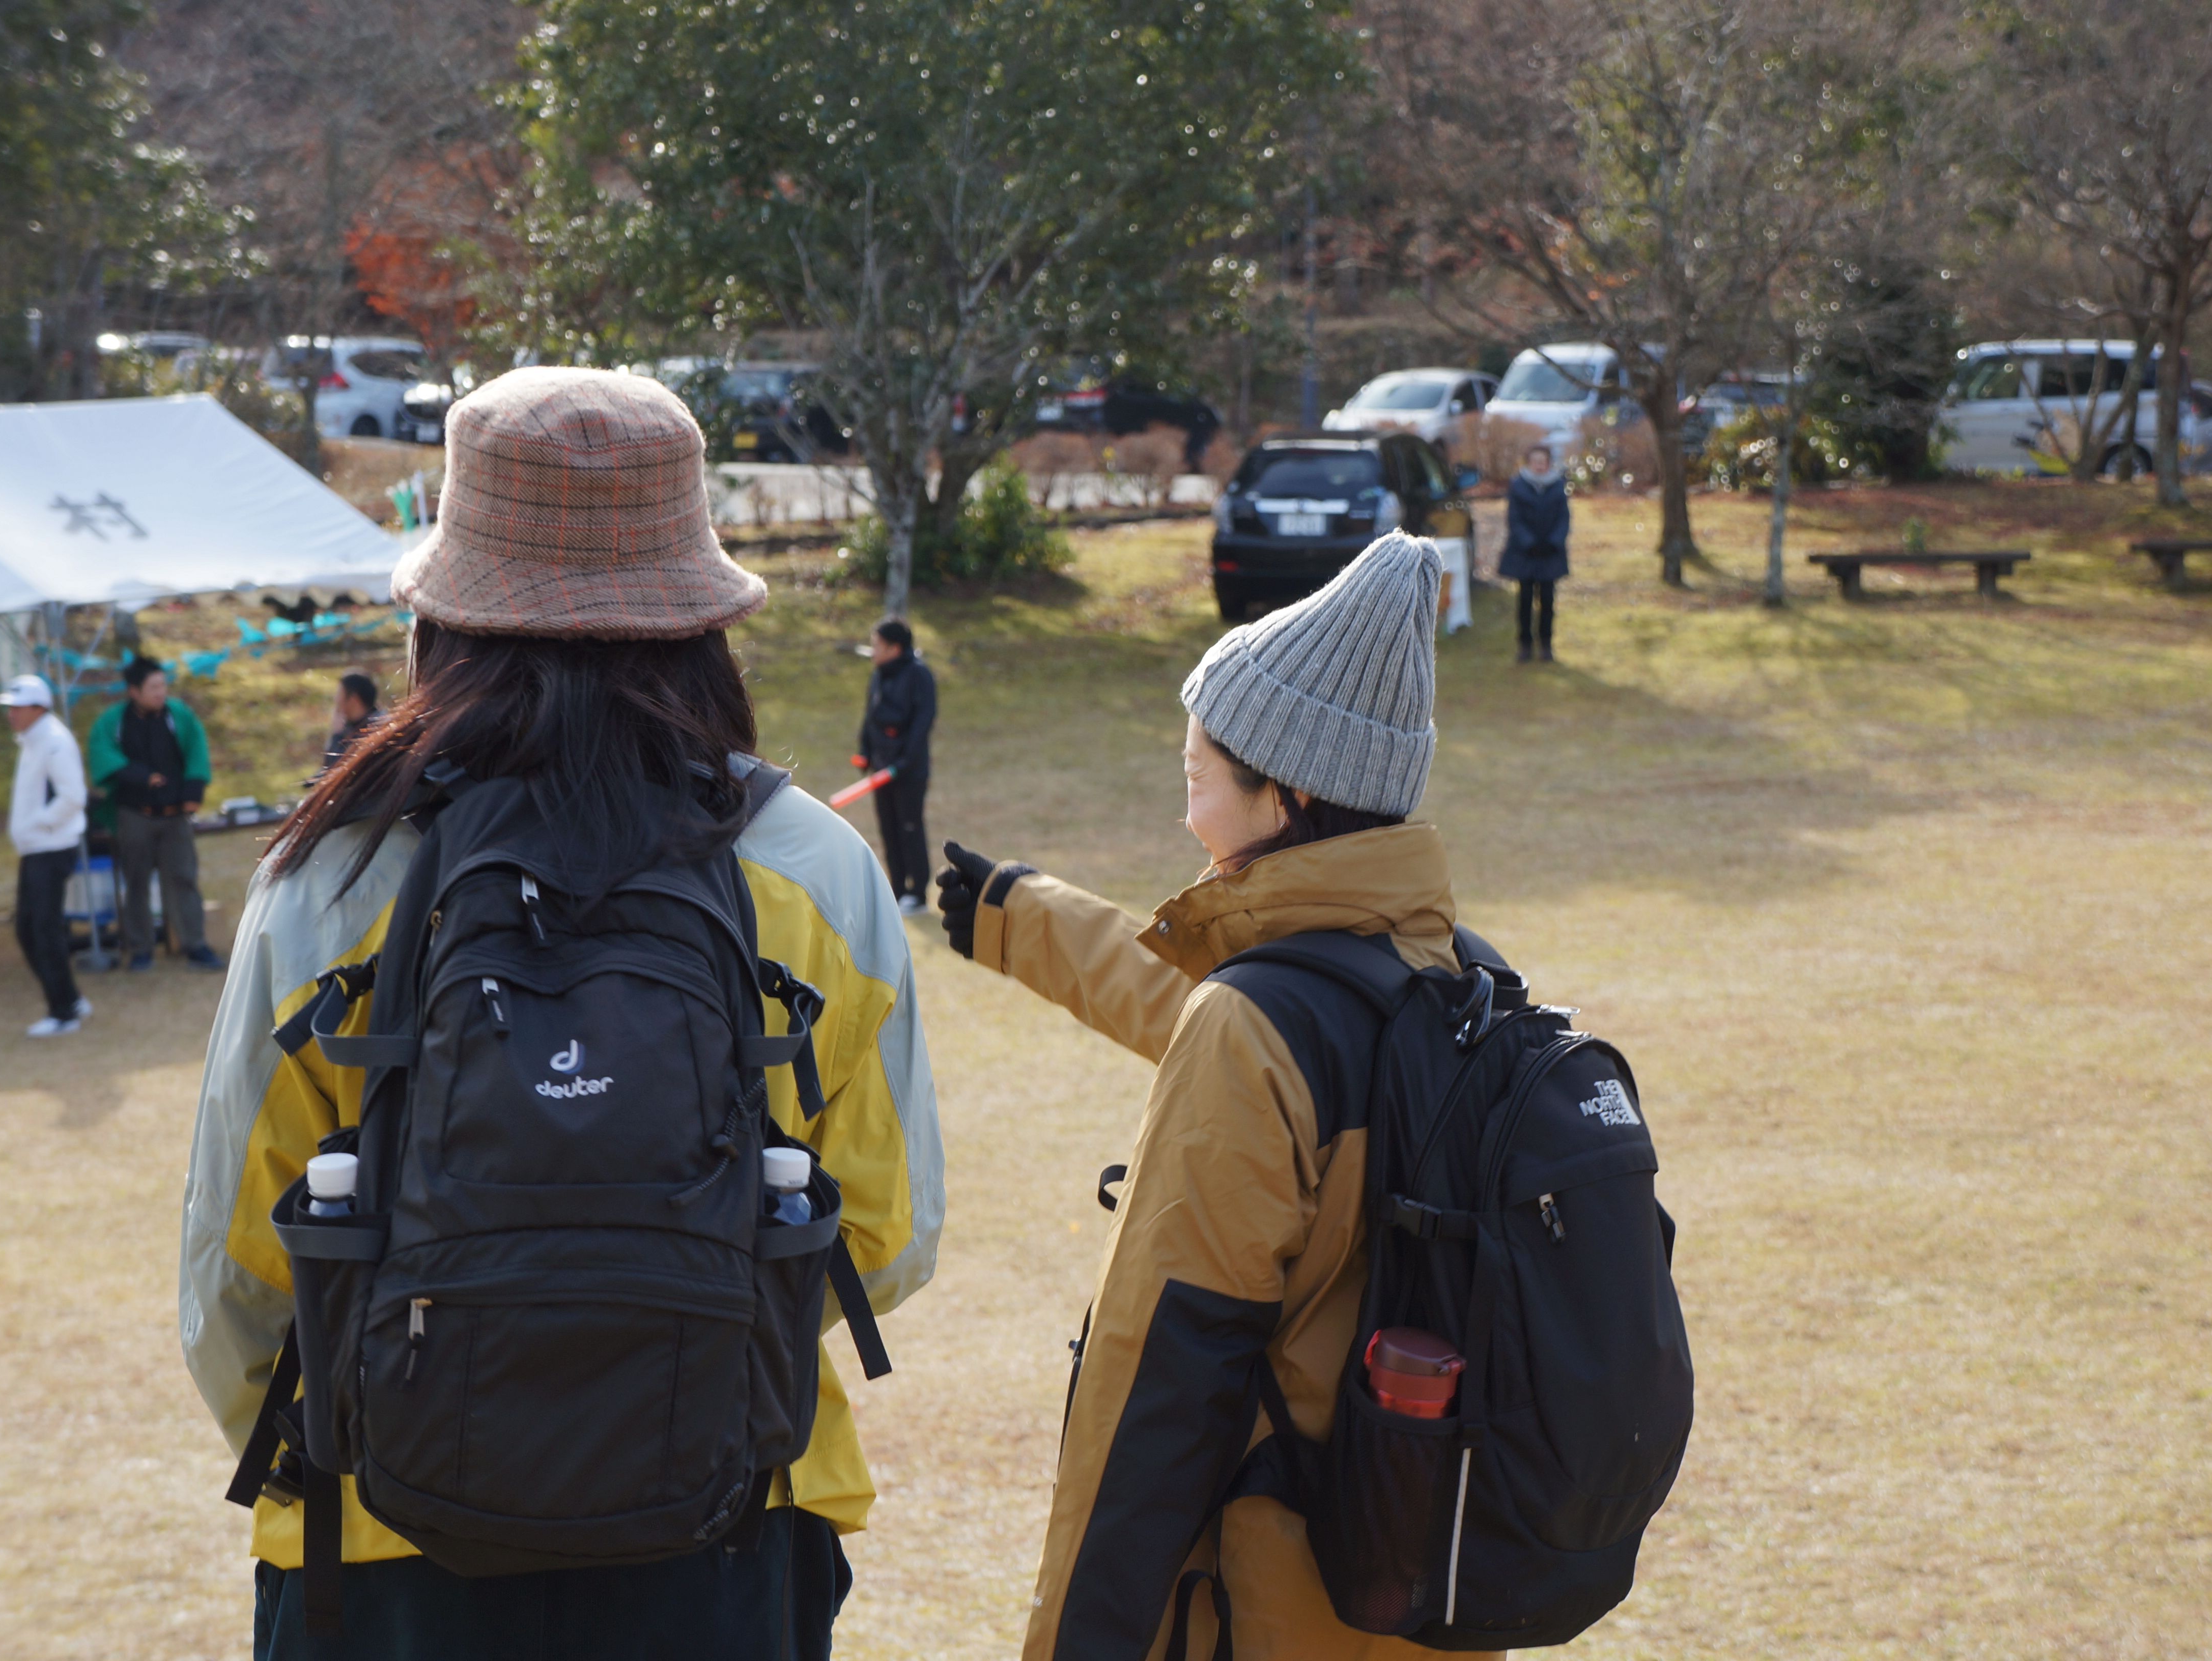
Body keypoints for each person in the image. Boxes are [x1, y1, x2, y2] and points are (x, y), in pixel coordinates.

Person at [179, 367, 943, 1661]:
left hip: (383, 1534)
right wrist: (669, 1343)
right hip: (731, 1512)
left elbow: (238, 1267)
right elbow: (886, 1232)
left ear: (443, 617)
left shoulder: (331, 877)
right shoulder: (813, 867)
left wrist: (385, 1401)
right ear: (699, 617)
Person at [933, 533, 1454, 1660]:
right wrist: (1024, 917)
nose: (1186, 816)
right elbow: (1234, 1015)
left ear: (1289, 791)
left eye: (1197, 778)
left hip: (1262, 1604)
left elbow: (1156, 1384)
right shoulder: (1450, 977)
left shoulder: (1259, 1026)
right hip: (1419, 1586)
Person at [87, 654, 222, 969]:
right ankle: (140, 949)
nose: (161, 692)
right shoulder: (114, 721)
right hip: (135, 814)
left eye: (163, 685)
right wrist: (140, 776)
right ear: (134, 691)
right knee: (136, 882)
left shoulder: (178, 715)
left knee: (184, 878)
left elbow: (197, 750)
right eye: (153, 687)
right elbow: (101, 752)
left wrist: (194, 791)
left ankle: (195, 945)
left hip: (175, 816)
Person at [0, 674, 91, 1038]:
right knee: (29, 929)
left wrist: (40, 825)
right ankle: (71, 1000)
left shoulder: (53, 740)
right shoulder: (34, 739)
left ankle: (63, 1013)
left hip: (50, 848)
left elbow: (73, 796)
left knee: (42, 930)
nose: (11, 714)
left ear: (38, 708)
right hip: (38, 848)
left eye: (17, 707)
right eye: (10, 707)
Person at [855, 617, 937, 916]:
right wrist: (865, 753)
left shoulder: (919, 675)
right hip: (881, 771)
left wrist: (904, 762)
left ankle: (918, 894)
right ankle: (898, 890)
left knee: (909, 829)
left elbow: (922, 723)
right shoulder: (879, 675)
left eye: (877, 645)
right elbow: (871, 716)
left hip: (909, 771)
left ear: (894, 648)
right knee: (888, 830)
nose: (873, 651)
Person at [1500, 443, 1570, 664]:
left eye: (1543, 462)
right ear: (1529, 463)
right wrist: (1528, 543)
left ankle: (1546, 645)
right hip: (1525, 554)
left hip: (1550, 553)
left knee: (1548, 600)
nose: (1540, 466)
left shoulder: (1558, 486)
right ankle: (1525, 645)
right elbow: (1514, 519)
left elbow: (1564, 519)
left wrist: (1553, 542)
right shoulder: (1518, 486)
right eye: (1536, 461)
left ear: (1549, 463)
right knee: (1525, 600)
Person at [323, 671, 382, 767]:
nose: (336, 699)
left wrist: (337, 735)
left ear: (353, 700)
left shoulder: (376, 731)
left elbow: (335, 768)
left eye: (339, 694)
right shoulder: (351, 727)